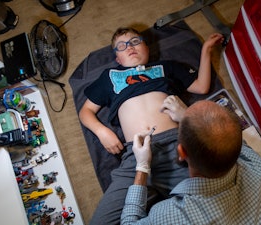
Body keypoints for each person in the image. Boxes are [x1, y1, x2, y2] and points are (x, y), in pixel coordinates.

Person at [79, 27, 224, 225]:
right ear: (118, 59)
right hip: (135, 156)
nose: (129, 47)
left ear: (147, 47)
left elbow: (201, 86)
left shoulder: (166, 67)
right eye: (121, 46)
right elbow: (86, 111)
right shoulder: (109, 76)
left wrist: (206, 49)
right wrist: (102, 131)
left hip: (176, 147)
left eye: (135, 41)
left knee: (211, 209)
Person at [121, 99, 261, 224]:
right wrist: (191, 117)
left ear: (181, 153)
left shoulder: (172, 215)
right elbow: (236, 142)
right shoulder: (258, 167)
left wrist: (142, 167)